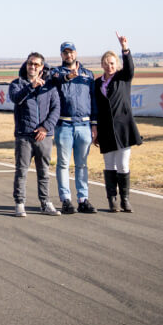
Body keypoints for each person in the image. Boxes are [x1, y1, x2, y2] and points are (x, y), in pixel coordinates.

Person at [93, 33, 142, 213]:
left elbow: (130, 68)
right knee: (109, 165)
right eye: (106, 63)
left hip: (123, 128)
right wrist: (95, 128)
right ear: (102, 65)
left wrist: (125, 48)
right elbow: (95, 108)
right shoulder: (97, 84)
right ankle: (112, 200)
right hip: (105, 129)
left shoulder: (123, 78)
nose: (109, 66)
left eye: (112, 63)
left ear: (117, 64)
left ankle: (125, 200)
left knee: (123, 164)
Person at [9, 52, 62, 217]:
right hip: (24, 135)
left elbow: (56, 109)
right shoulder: (17, 84)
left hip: (44, 136)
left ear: (42, 67)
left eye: (36, 64)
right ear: (26, 65)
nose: (32, 67)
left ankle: (45, 203)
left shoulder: (50, 86)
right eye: (30, 63)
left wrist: (45, 128)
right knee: (21, 171)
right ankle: (20, 203)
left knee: (44, 172)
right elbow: (16, 99)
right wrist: (31, 86)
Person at [48, 41, 98, 214]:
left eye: (71, 52)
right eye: (65, 53)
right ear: (61, 55)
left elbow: (93, 101)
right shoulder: (56, 72)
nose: (68, 55)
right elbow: (53, 81)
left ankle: (83, 199)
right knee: (63, 164)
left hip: (84, 125)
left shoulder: (88, 75)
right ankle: (66, 200)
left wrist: (94, 124)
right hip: (64, 125)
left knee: (82, 164)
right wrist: (68, 77)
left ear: (76, 53)